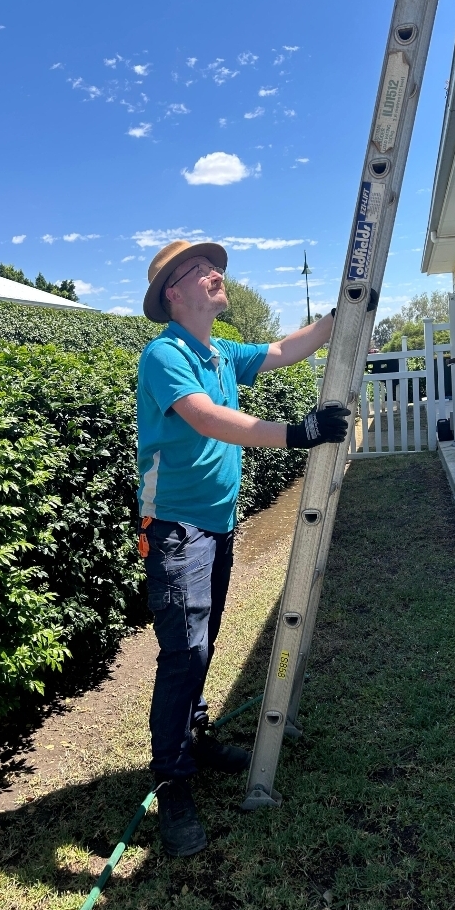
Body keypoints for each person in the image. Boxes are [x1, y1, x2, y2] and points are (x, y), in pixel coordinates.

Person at [137, 239, 350, 857]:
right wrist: (296, 434)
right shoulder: (166, 352)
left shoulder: (220, 351)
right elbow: (204, 418)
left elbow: (285, 350)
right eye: (198, 270)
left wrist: (343, 317)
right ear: (173, 293)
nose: (214, 275)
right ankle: (172, 784)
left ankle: (195, 740)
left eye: (215, 268)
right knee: (185, 649)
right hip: (175, 524)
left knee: (204, 636)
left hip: (216, 520)